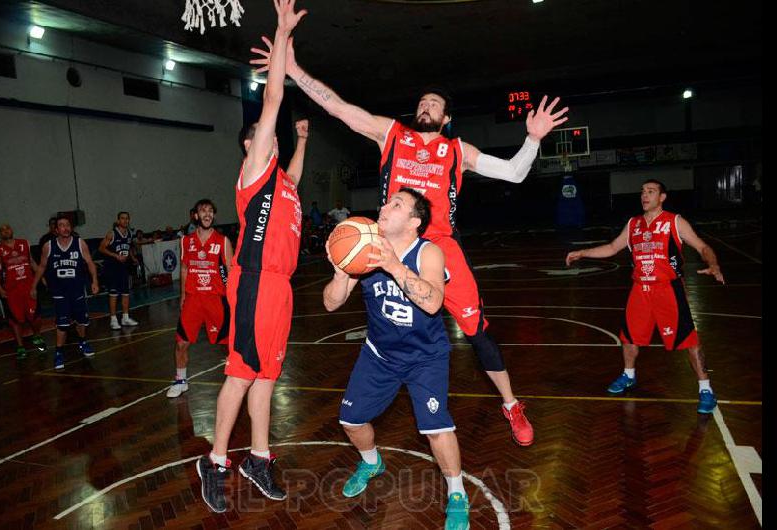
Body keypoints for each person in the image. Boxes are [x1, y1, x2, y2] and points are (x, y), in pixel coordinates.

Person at [251, 37, 569, 446]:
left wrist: (533, 139)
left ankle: (510, 403)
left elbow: (513, 173)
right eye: (422, 101)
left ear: (446, 117)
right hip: (388, 240)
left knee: (476, 329)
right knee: (372, 313)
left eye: (434, 103)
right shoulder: (392, 135)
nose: (426, 106)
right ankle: (378, 387)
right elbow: (341, 109)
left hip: (440, 245)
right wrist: (294, 71)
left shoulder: (457, 150)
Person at [196, 0, 309, 514]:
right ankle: (215, 460)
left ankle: (258, 458)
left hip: (280, 288)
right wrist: (283, 34)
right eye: (262, 139)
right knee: (241, 374)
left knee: (267, 376)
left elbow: (297, 176)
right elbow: (275, 97)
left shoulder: (282, 183)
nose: (270, 141)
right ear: (251, 148)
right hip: (254, 283)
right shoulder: (254, 170)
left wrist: (303, 141)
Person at [323, 188, 469, 529]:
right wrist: (341, 272)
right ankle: (371, 462)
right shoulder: (365, 249)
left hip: (425, 357)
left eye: (396, 204)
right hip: (380, 354)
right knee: (351, 420)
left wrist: (392, 265)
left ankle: (457, 493)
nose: (384, 207)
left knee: (437, 428)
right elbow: (330, 303)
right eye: (387, 202)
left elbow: (432, 303)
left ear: (415, 222)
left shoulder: (428, 252)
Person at [565, 179, 725, 414]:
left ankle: (705, 390)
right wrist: (582, 252)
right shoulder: (633, 224)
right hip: (640, 290)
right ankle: (628, 375)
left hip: (668, 290)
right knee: (629, 337)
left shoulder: (674, 221)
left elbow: (702, 247)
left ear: (662, 198)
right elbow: (612, 247)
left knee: (689, 341)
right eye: (642, 192)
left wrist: (713, 264)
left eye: (651, 191)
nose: (645, 195)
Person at [166, 198, 234, 398]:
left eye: (210, 211)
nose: (207, 214)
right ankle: (180, 381)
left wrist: (233, 299)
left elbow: (230, 272)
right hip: (194, 299)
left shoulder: (223, 241)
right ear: (195, 215)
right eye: (203, 211)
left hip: (216, 299)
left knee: (228, 344)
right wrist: (182, 296)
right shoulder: (186, 241)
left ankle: (235, 381)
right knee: (181, 343)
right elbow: (185, 268)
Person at [30, 214, 100, 370]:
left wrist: (94, 281)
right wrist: (34, 286)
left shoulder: (80, 243)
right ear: (56, 229)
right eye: (62, 225)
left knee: (81, 321)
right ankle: (59, 352)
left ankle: (83, 343)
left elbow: (90, 262)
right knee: (62, 323)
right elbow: (41, 267)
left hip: (77, 289)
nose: (65, 228)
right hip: (59, 291)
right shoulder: (48, 246)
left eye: (68, 225)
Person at [0, 224, 47, 358]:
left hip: (29, 287)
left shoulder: (24, 243)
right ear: (0, 234)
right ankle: (20, 346)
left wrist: (42, 278)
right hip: (12, 291)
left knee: (36, 316)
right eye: (2, 230)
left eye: (7, 228)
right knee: (16, 320)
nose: (6, 231)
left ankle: (37, 336)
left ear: (12, 230)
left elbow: (32, 262)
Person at [98, 212, 140, 330]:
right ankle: (113, 319)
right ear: (118, 221)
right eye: (122, 218)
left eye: (127, 218)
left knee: (126, 292)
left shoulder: (129, 234)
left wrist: (133, 258)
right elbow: (101, 248)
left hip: (123, 267)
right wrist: (115, 256)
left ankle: (125, 318)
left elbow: (129, 247)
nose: (125, 221)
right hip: (112, 267)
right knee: (114, 293)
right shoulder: (112, 233)